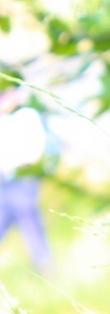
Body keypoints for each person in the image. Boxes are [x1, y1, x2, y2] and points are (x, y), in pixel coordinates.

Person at [0, 91, 53, 271]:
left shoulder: (26, 116)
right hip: (4, 182)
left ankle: (46, 269)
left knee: (30, 225)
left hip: (22, 181)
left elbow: (36, 150)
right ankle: (46, 267)